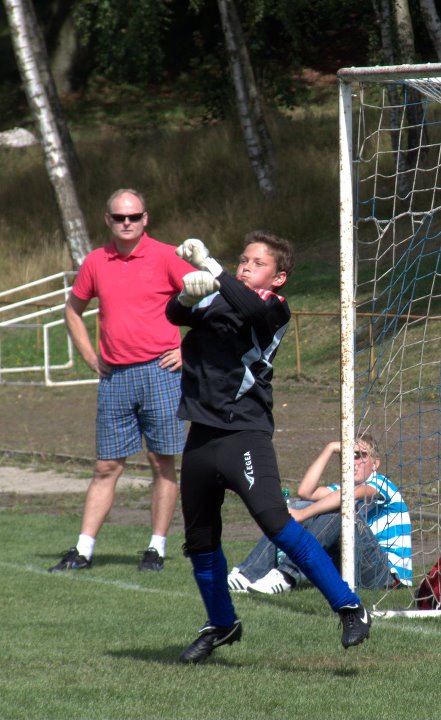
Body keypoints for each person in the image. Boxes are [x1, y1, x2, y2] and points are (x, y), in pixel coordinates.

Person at [165, 232, 372, 664]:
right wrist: (187, 294)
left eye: (256, 263)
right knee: (199, 540)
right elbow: (173, 315)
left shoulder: (272, 307)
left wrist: (215, 270)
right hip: (201, 435)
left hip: (244, 433)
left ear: (278, 277)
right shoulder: (220, 295)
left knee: (276, 523)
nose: (244, 266)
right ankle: (221, 623)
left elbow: (249, 306)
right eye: (242, 260)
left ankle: (350, 607)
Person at [48, 188, 192, 573]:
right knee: (106, 467)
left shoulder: (168, 256)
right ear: (107, 220)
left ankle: (156, 548)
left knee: (161, 461)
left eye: (133, 216)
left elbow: (211, 300)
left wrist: (188, 350)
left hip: (161, 373)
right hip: (114, 378)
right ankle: (83, 549)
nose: (125, 223)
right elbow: (73, 310)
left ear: (146, 218)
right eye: (118, 217)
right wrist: (91, 357)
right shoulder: (96, 261)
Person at [228, 434, 413, 595]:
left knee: (336, 509)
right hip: (350, 569)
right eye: (350, 456)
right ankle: (248, 573)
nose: (355, 462)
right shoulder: (343, 488)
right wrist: (330, 448)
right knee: (302, 506)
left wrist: (303, 514)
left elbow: (346, 497)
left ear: (376, 463)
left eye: (361, 456)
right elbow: (306, 492)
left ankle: (286, 574)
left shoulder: (382, 483)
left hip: (385, 577)